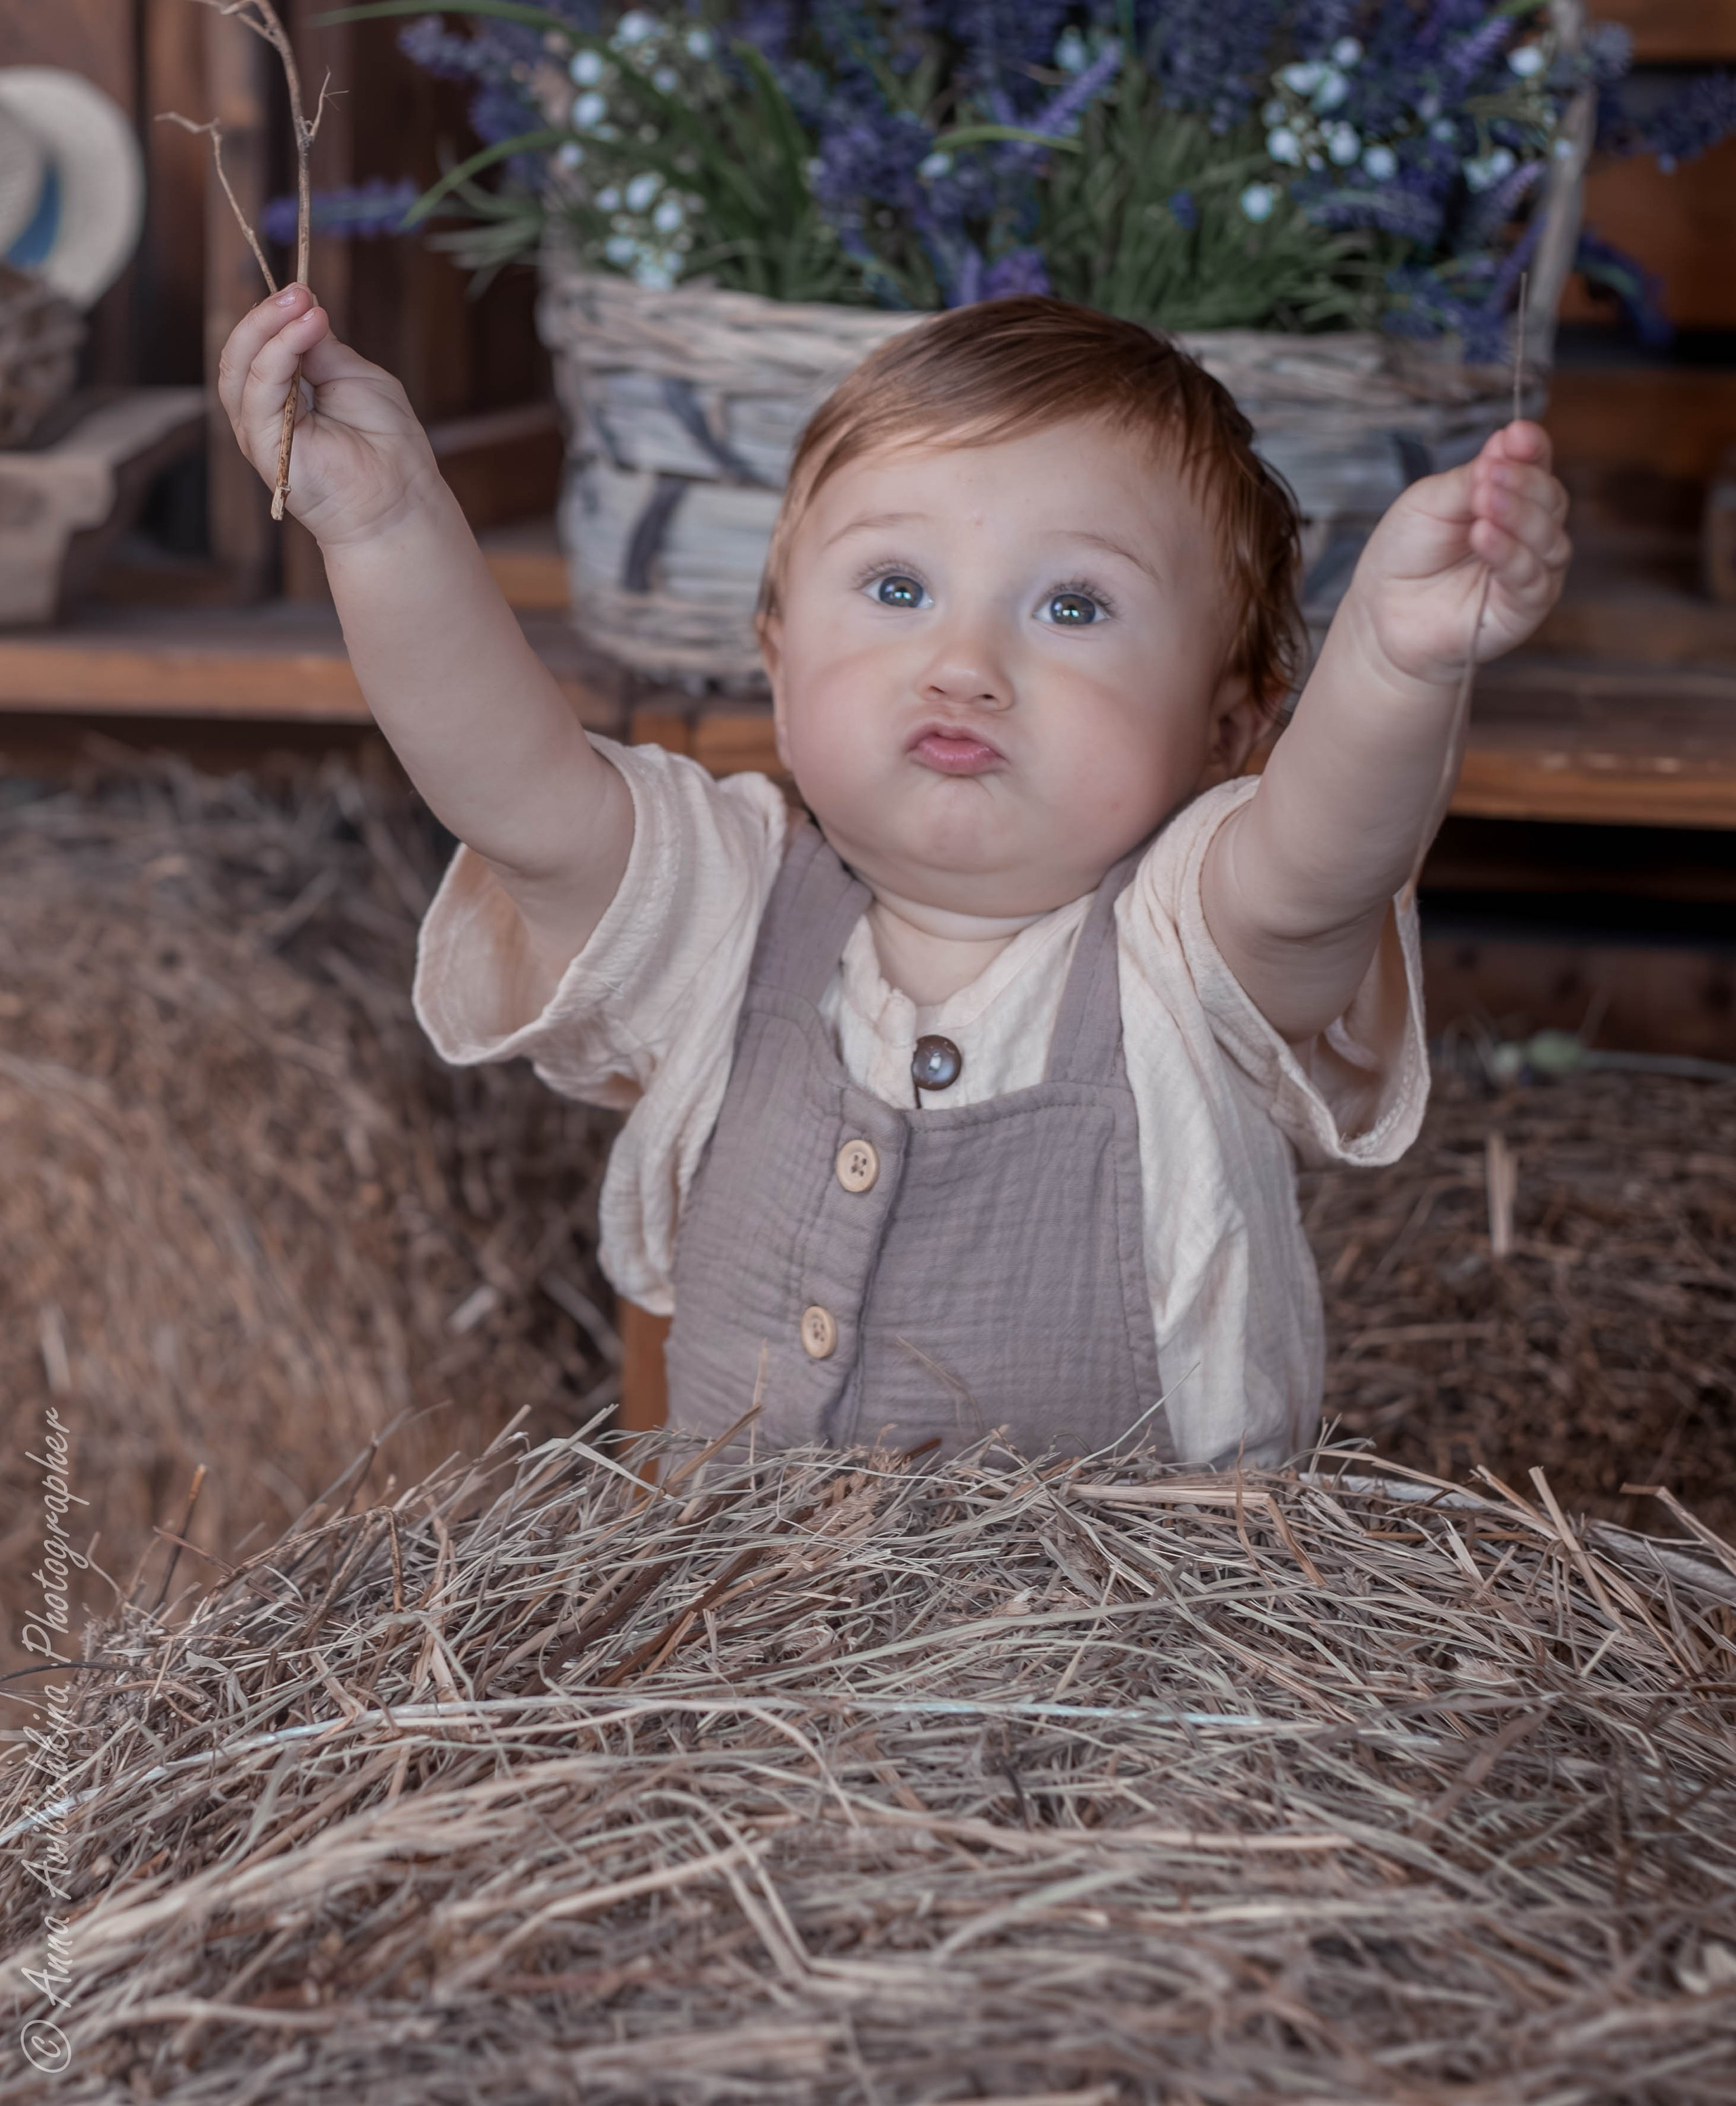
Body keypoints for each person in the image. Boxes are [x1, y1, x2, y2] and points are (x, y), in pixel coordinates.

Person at [220, 287, 1570, 1465]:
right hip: (737, 1684)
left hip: (1121, 1713)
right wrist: (386, 522)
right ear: (775, 654)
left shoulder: (1184, 947)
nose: (964, 662)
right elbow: (518, 792)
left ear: (1230, 728)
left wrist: (1396, 665)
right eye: (895, 586)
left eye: (1073, 607)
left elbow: (1317, 866)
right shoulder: (731, 905)